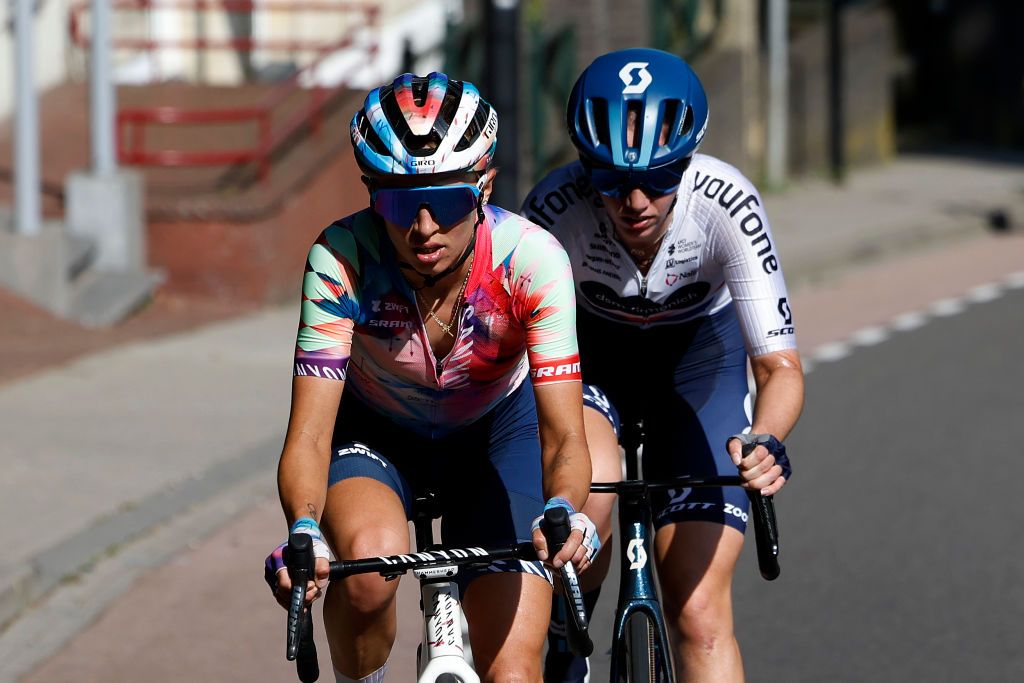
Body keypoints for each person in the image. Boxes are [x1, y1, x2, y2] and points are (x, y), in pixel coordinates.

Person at [264, 72, 599, 683]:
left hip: (499, 431)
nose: (423, 227)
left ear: (485, 187)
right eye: (397, 202)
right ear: (371, 196)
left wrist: (564, 509)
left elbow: (564, 436)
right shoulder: (342, 259)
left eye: (445, 202)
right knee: (364, 572)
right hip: (377, 435)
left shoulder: (532, 260)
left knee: (515, 670)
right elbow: (310, 434)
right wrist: (305, 529)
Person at [521, 48, 804, 682]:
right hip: (593, 366)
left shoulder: (726, 202)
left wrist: (767, 440)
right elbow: (517, 365)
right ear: (584, 167)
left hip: (698, 366)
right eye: (612, 180)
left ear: (690, 161)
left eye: (661, 176)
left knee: (700, 611)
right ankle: (571, 629)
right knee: (586, 512)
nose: (636, 200)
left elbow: (779, 368)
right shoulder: (553, 208)